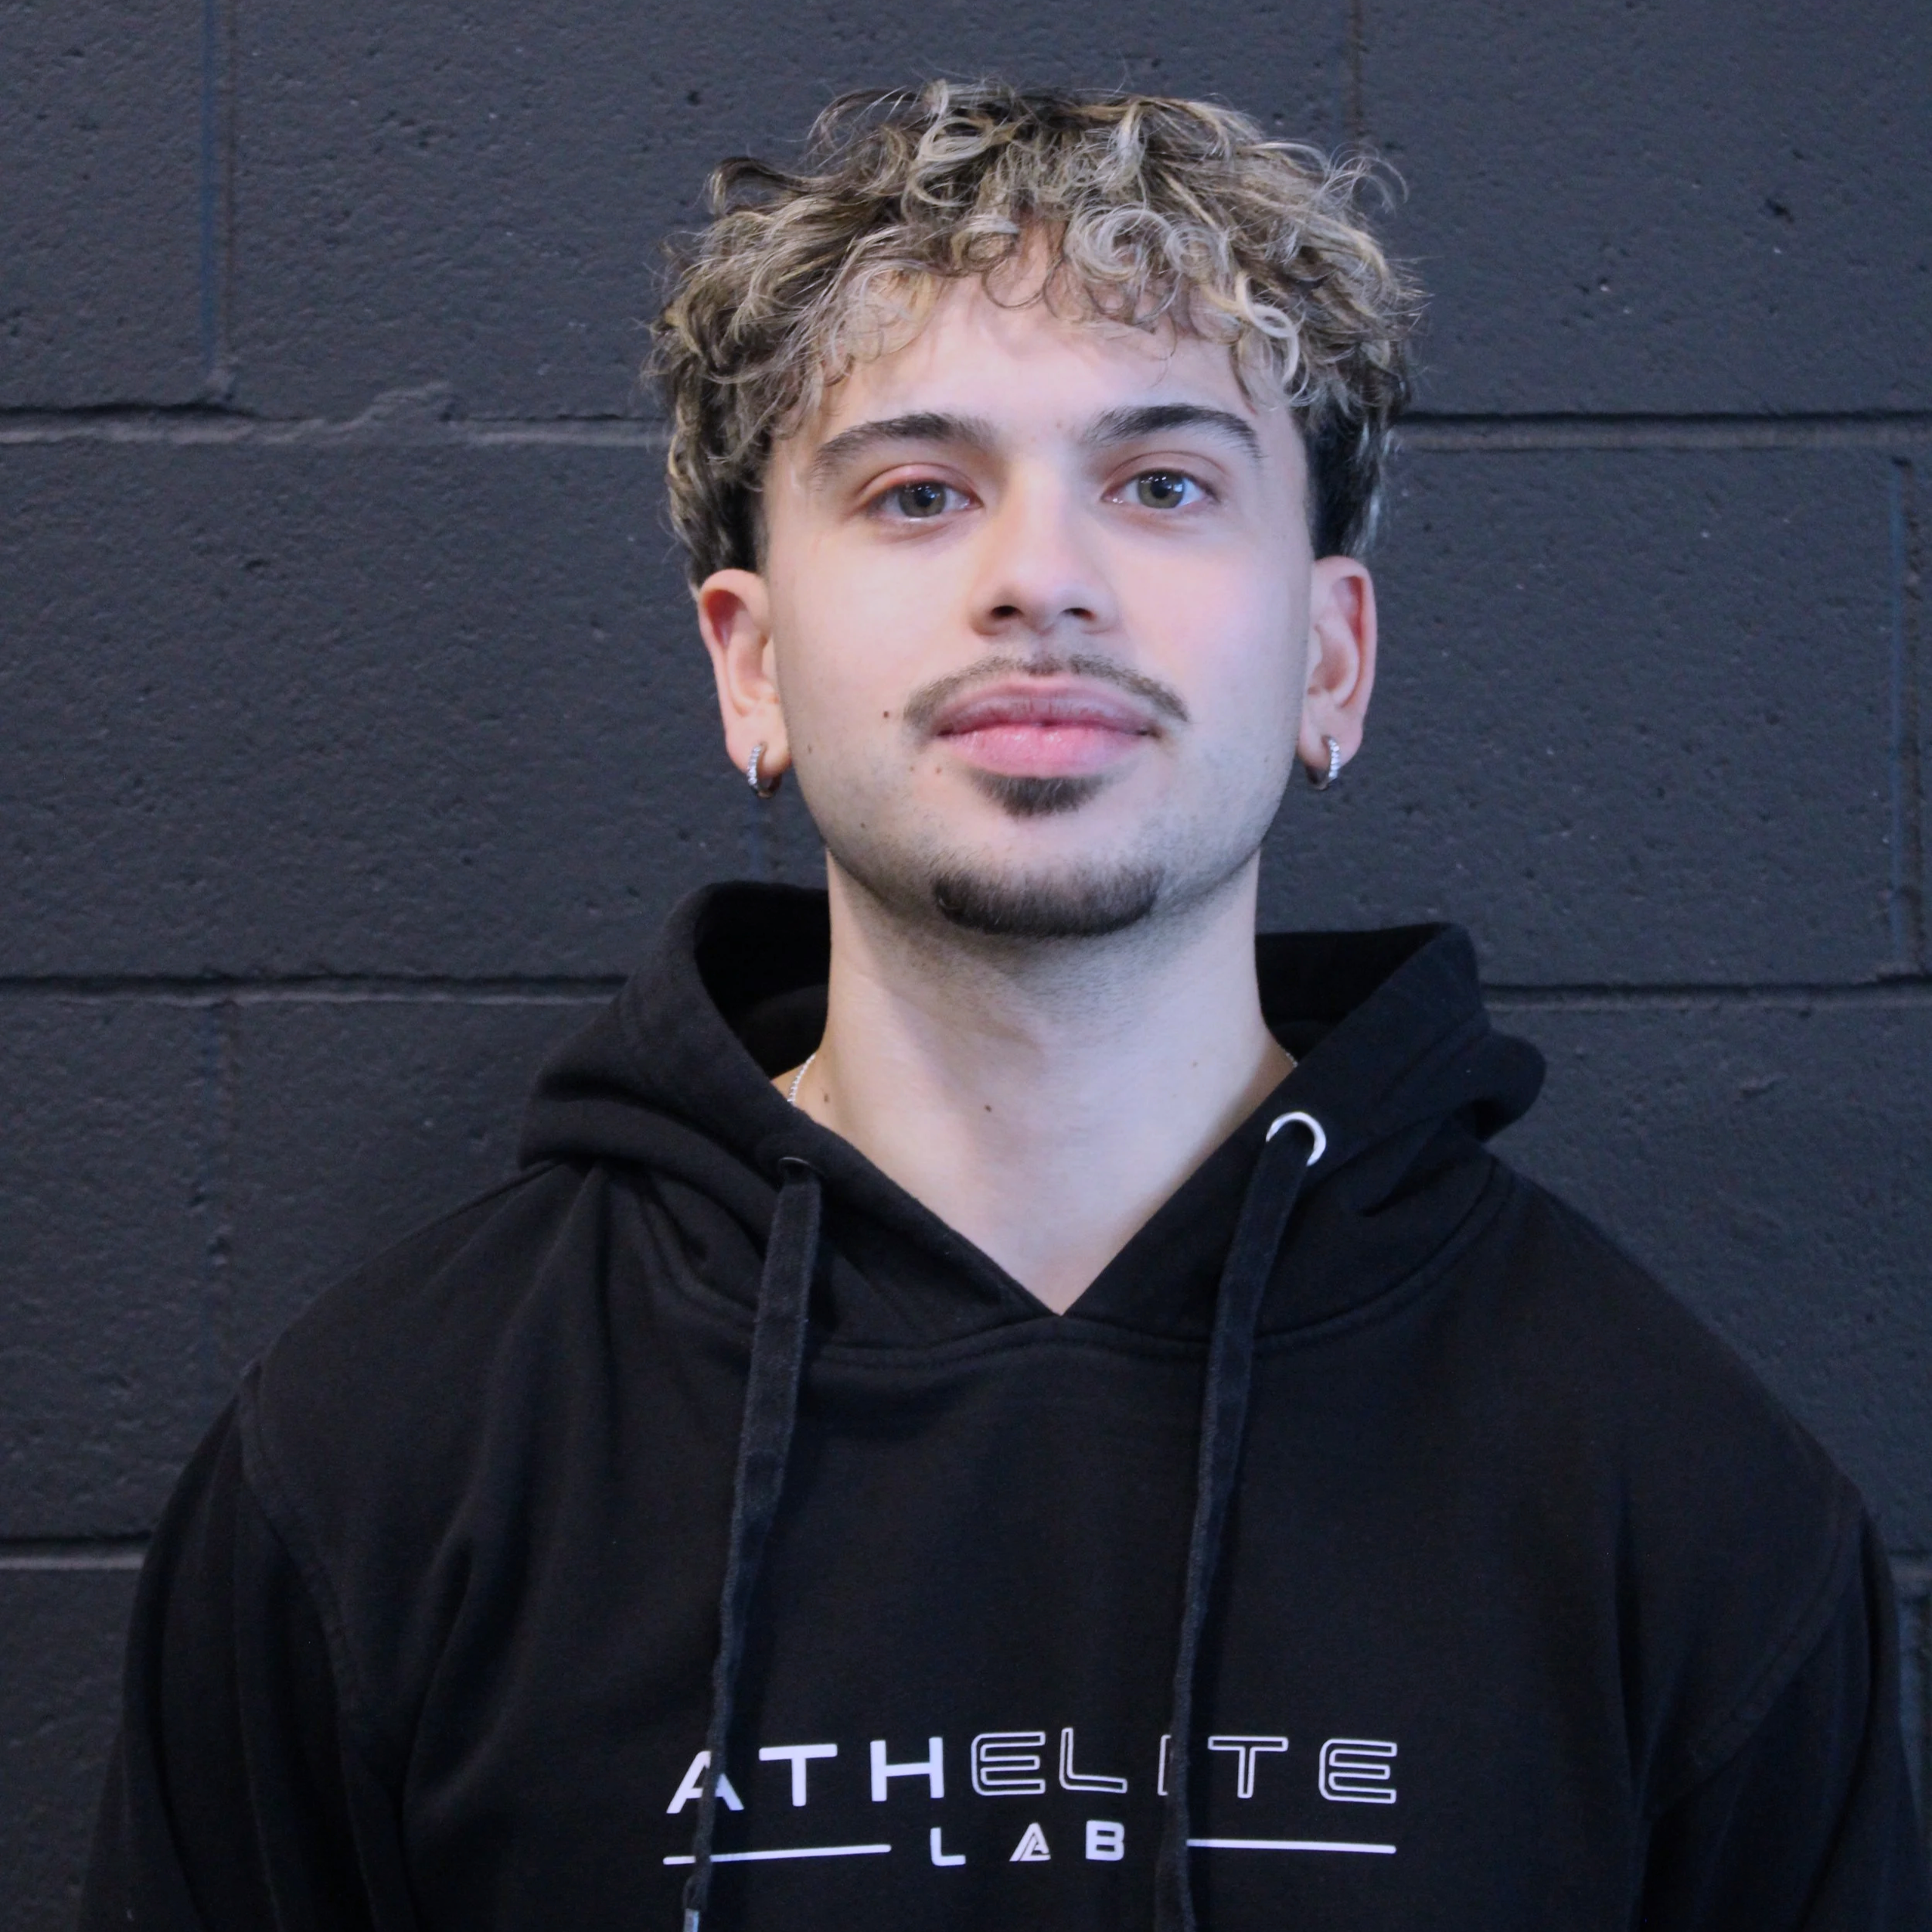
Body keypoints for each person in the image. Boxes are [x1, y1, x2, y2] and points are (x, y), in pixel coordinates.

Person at [83, 83, 1930, 1931]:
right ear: (751, 665)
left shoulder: (1674, 1491)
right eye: (916, 490)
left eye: (1162, 483)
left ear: (1330, 658)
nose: (1039, 578)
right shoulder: (375, 1463)